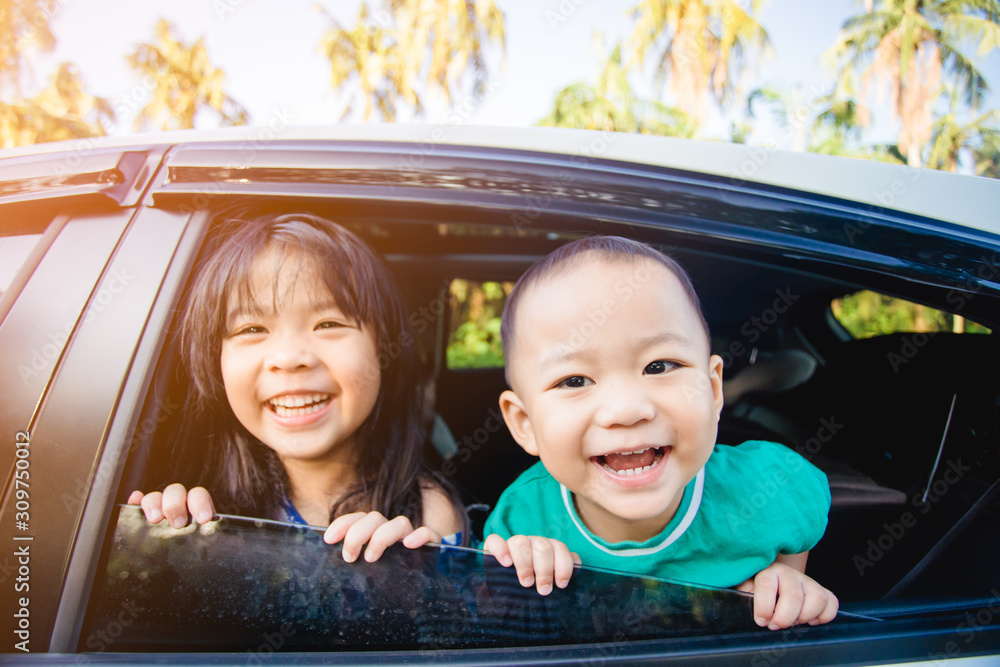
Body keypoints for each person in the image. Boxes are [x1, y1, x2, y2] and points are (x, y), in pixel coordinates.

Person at [129, 211, 568, 592]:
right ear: (215, 361)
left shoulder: (423, 511)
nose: (290, 358)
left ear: (384, 351)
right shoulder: (207, 504)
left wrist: (401, 584)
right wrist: (159, 541)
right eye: (251, 330)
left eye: (329, 322)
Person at [483, 235, 839, 629]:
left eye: (659, 366)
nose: (627, 410)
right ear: (524, 423)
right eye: (574, 380)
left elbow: (791, 580)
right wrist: (521, 574)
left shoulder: (771, 488)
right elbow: (491, 621)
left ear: (713, 387)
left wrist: (788, 584)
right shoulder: (523, 519)